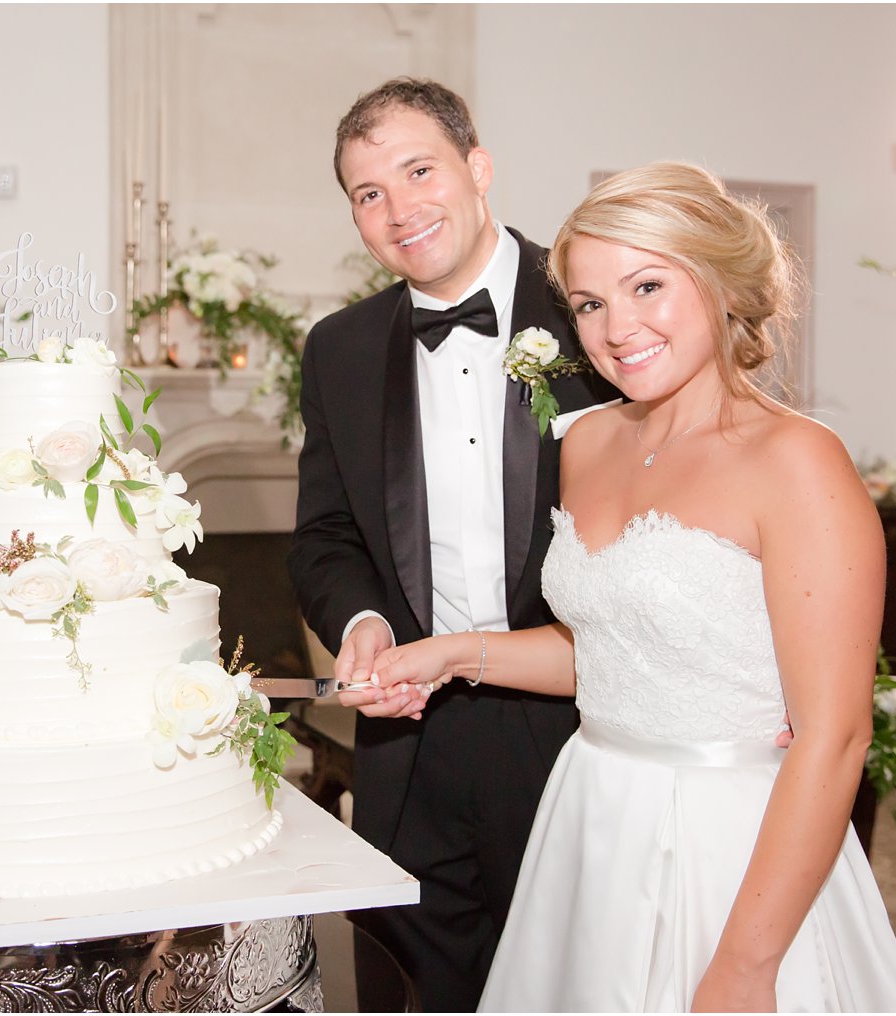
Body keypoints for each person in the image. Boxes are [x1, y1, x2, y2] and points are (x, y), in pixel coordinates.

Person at [367, 162, 896, 1012]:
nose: (615, 328)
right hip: (591, 817)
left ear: (717, 283)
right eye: (589, 304)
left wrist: (744, 968)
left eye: (647, 286)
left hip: (730, 848)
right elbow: (614, 656)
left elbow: (836, 736)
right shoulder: (588, 444)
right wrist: (449, 655)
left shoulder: (798, 462)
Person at [286, 78, 620, 1011]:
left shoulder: (599, 310)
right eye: (368, 193)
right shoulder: (339, 349)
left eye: (418, 170)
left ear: (478, 168)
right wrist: (358, 621)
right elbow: (324, 535)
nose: (398, 210)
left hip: (577, 731)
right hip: (410, 742)